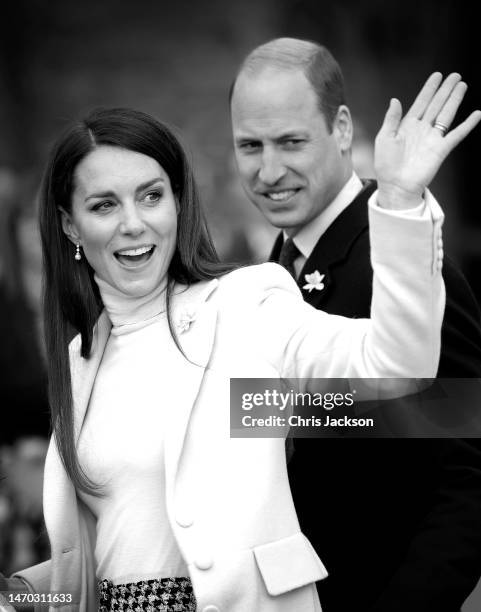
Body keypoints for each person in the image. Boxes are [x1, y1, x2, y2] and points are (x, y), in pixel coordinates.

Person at [0, 77, 474, 611]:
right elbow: (105, 558)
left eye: (152, 196)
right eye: (104, 205)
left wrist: (400, 202)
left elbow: (398, 370)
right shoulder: (77, 362)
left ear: (178, 204)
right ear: (70, 227)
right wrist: (21, 593)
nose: (133, 223)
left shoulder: (246, 303)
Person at [230, 37, 481, 612]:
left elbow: (468, 477)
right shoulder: (271, 270)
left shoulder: (403, 258)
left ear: (342, 129)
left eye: (291, 142)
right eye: (251, 146)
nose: (269, 171)